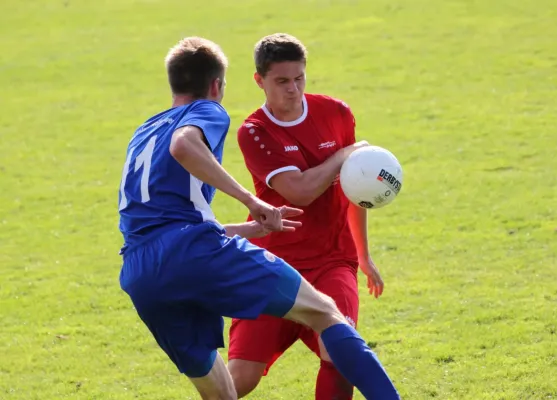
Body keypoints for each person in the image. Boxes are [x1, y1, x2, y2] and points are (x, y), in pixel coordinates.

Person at [117, 36, 401, 400]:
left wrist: (248, 228)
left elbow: (159, 225)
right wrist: (250, 200)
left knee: (222, 395)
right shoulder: (209, 111)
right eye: (282, 80)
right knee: (326, 314)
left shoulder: (142, 133)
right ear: (218, 85)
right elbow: (184, 145)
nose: (293, 88)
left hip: (141, 273)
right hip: (195, 251)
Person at [228, 33, 389, 400]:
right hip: (272, 265)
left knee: (340, 354)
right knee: (239, 379)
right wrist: (343, 154)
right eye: (281, 81)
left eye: (299, 78)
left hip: (332, 261)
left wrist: (362, 256)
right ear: (260, 81)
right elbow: (299, 191)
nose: (293, 89)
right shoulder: (254, 132)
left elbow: (356, 191)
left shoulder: (336, 113)